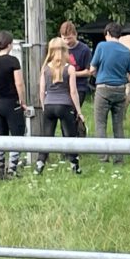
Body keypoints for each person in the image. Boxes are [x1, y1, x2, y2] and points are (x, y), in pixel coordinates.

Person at [89, 22, 130, 164]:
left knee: (100, 124)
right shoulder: (126, 51)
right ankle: (119, 158)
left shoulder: (101, 46)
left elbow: (92, 69)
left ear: (108, 34)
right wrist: (125, 79)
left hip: (103, 89)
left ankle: (103, 157)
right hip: (120, 91)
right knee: (118, 125)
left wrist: (98, 76)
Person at [35, 37, 85, 175]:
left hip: (49, 105)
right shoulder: (70, 69)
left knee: (46, 136)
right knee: (70, 136)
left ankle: (39, 165)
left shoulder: (45, 68)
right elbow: (73, 92)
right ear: (65, 51)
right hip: (65, 105)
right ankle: (75, 166)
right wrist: (79, 112)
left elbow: (41, 90)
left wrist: (44, 105)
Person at [0, 31, 29, 179]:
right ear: (9, 44)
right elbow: (19, 83)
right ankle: (12, 169)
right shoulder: (12, 61)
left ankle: (0, 167)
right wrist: (22, 101)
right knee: (17, 134)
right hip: (10, 102)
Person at [59, 21, 94, 107]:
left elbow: (89, 72)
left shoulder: (84, 49)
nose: (67, 42)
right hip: (62, 87)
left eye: (69, 38)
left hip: (79, 87)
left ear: (75, 35)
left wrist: (72, 74)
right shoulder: (59, 48)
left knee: (73, 114)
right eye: (64, 38)